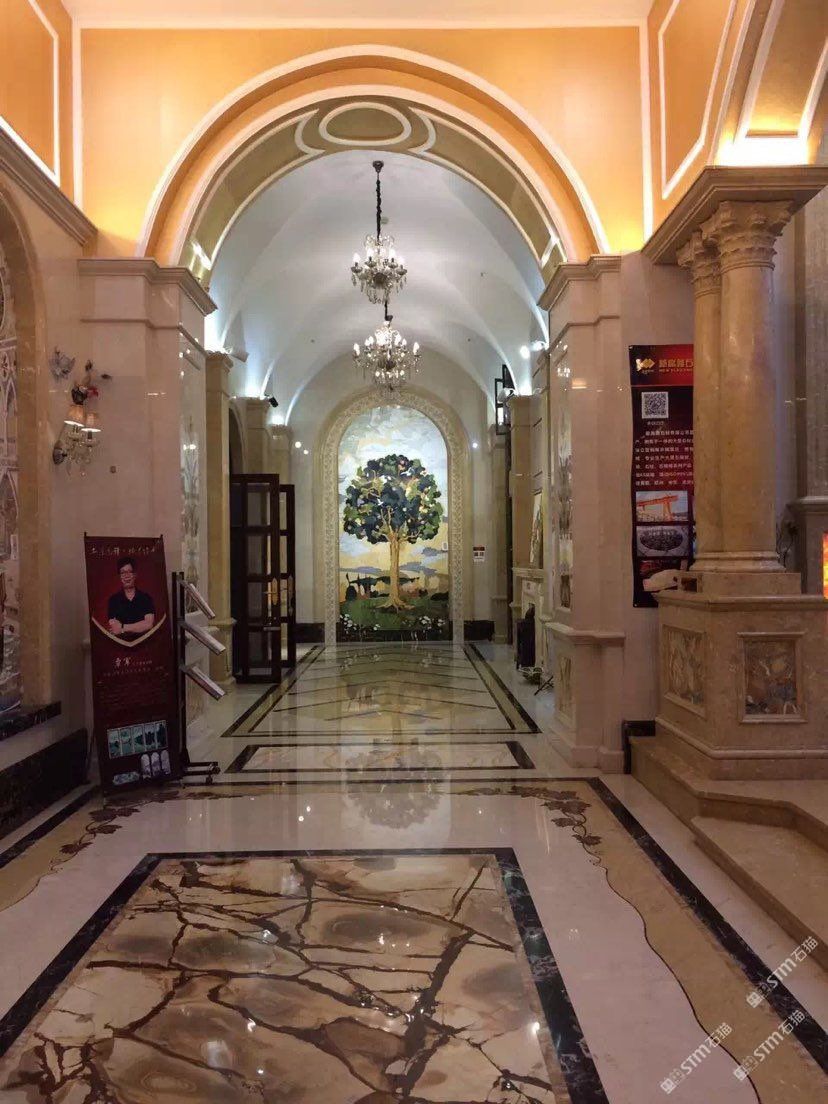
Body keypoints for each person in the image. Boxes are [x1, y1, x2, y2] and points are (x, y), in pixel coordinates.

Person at [107, 556, 156, 641]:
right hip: (121, 644)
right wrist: (139, 626)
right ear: (119, 576)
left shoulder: (146, 598)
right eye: (123, 573)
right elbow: (114, 627)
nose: (126, 576)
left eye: (129, 572)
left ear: (135, 575)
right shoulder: (113, 600)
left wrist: (122, 628)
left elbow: (148, 624)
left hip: (144, 643)